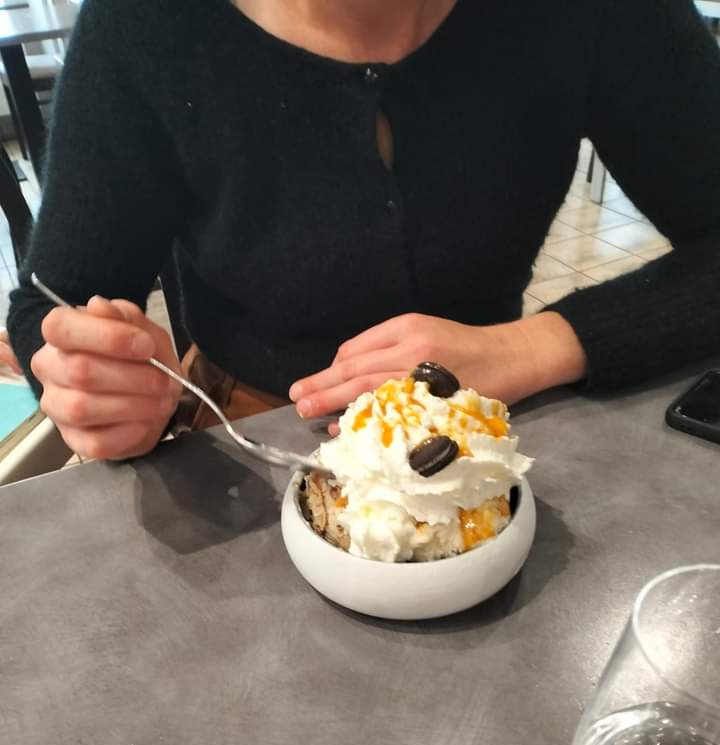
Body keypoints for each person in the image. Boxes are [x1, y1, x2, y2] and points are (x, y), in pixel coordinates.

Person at [6, 0, 720, 461]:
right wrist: (97, 387)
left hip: (506, 419)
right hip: (246, 444)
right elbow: (52, 304)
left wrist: (535, 346)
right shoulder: (143, 24)